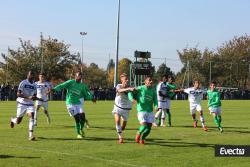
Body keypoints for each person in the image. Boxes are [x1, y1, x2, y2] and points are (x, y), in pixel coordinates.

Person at [52, 71, 95, 139]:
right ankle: (78, 134)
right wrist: (54, 89)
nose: (79, 77)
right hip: (70, 103)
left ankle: (81, 129)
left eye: (80, 76)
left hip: (78, 103)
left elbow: (86, 94)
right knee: (77, 118)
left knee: (83, 116)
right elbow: (61, 85)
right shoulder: (70, 82)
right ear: (75, 76)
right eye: (78, 76)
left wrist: (92, 98)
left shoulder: (82, 85)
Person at [10, 71, 43, 141]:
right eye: (30, 74)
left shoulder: (34, 85)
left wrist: (38, 98)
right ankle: (13, 120)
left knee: (32, 116)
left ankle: (30, 135)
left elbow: (34, 96)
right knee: (18, 121)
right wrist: (28, 97)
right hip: (22, 103)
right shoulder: (23, 82)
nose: (31, 76)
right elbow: (18, 94)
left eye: (32, 74)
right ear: (27, 75)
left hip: (30, 104)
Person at [128, 76, 158, 145]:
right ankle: (138, 133)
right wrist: (131, 99)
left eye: (151, 80)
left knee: (149, 128)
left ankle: (143, 138)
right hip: (141, 110)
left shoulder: (153, 91)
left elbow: (155, 100)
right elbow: (130, 92)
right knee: (144, 125)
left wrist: (156, 106)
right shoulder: (140, 88)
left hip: (150, 111)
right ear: (145, 82)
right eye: (149, 80)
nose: (151, 82)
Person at [112, 73, 135, 143]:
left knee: (123, 126)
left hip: (126, 109)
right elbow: (119, 91)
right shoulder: (119, 86)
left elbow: (134, 93)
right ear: (121, 80)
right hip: (117, 107)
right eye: (125, 79)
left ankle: (120, 132)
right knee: (117, 120)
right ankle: (120, 137)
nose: (127, 80)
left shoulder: (131, 86)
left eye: (127, 79)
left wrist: (134, 97)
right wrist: (128, 89)